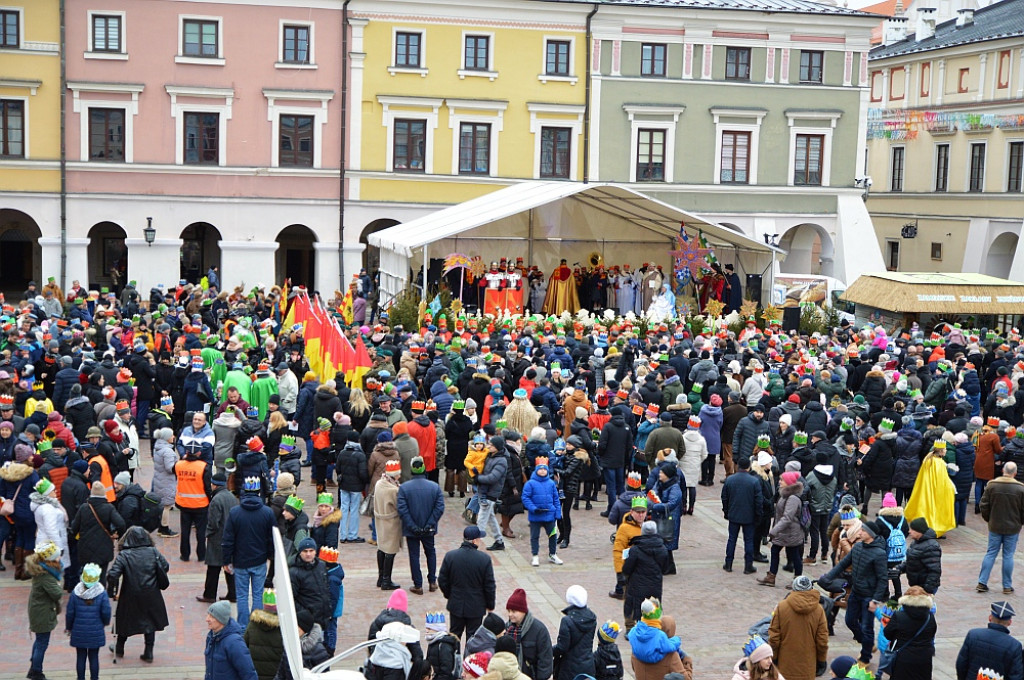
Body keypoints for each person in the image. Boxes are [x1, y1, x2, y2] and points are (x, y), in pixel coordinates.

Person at [820, 522, 889, 666]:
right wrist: (828, 577)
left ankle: (865, 657)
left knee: (866, 626)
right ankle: (867, 644)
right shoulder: (857, 547)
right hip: (856, 592)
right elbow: (843, 564)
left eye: (862, 531)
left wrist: (875, 600)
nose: (859, 533)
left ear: (870, 534)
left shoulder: (879, 554)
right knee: (850, 621)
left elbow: (883, 579)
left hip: (869, 596)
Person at [107, 526, 170, 662]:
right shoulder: (153, 551)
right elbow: (166, 566)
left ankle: (119, 647)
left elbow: (113, 574)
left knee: (124, 620)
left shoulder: (125, 554)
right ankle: (148, 652)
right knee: (150, 621)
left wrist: (111, 591)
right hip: (151, 592)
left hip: (130, 593)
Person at [222, 475, 275, 629]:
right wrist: (271, 556)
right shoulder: (267, 512)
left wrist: (226, 560)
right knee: (258, 594)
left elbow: (227, 540)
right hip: (259, 560)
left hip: (240, 561)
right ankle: (256, 625)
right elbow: (271, 538)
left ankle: (243, 627)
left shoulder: (235, 513)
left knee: (242, 595)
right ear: (259, 492)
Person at [438, 526, 496, 644]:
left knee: (454, 636)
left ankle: (452, 660)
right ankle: (469, 661)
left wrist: (450, 594)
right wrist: (490, 604)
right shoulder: (484, 559)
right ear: (474, 540)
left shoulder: (451, 556)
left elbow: (442, 580)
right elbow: (489, 585)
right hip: (476, 606)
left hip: (456, 604)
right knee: (473, 639)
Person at [397, 456, 445, 594]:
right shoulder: (434, 487)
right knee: (430, 553)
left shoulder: (404, 488)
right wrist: (429, 524)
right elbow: (439, 508)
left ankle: (418, 584)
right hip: (428, 529)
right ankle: (432, 581)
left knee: (414, 555)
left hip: (412, 529)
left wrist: (413, 526)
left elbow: (402, 510)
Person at [767, 575, 829, 680]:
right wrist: (821, 660)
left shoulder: (782, 607)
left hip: (785, 664)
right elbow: (822, 641)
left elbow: (774, 638)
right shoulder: (818, 610)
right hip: (808, 665)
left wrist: (774, 658)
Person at [976, 460, 1024, 594]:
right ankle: (1007, 586)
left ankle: (982, 582)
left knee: (991, 553)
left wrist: (989, 519)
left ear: (1003, 470)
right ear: (1015, 473)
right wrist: (1020, 522)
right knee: (1008, 555)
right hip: (1013, 526)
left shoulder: (992, 485)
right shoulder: (1020, 489)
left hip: (995, 524)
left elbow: (983, 504)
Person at [70, 481, 126, 584]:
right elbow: (121, 523)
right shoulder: (109, 508)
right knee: (101, 576)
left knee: (86, 575)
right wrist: (116, 534)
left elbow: (74, 528)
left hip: (85, 548)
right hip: (103, 548)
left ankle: (87, 596)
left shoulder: (84, 508)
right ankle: (100, 596)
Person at [66, 562, 112, 680]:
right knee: (94, 656)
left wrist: (69, 627)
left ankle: (80, 678)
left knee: (80, 657)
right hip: (95, 631)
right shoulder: (102, 593)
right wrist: (105, 622)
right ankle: (94, 678)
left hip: (78, 631)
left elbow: (70, 613)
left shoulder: (76, 593)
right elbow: (106, 612)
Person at [956, 601, 1023, 680]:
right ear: (1009, 622)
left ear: (990, 617)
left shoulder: (973, 635)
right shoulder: (1014, 645)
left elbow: (961, 664)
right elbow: (1015, 675)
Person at [759, 471, 805, 587]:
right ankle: (771, 576)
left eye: (782, 480)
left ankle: (798, 580)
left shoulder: (793, 498)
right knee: (775, 551)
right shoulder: (785, 495)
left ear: (788, 483)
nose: (779, 482)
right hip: (783, 532)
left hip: (791, 532)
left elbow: (787, 518)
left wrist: (774, 530)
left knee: (794, 555)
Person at [626, 598, 691, 680]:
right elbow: (686, 678)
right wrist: (687, 661)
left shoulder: (637, 647)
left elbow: (634, 668)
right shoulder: (671, 655)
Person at [880, 586, 936, 680]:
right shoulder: (930, 617)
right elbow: (932, 634)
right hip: (924, 658)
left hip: (903, 657)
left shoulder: (899, 616)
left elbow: (887, 633)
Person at [26, 541, 63, 680]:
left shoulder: (42, 570)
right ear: (50, 559)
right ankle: (36, 671)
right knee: (42, 642)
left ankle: (33, 663)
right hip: (42, 613)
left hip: (38, 610)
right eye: (57, 556)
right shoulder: (46, 575)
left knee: (39, 640)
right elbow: (57, 593)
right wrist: (58, 586)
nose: (60, 558)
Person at [622, 520, 669, 629]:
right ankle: (654, 629)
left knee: (638, 610)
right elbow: (666, 568)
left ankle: (638, 632)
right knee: (654, 608)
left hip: (638, 586)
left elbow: (627, 569)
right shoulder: (663, 548)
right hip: (655, 585)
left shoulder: (635, 549)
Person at [904, 440, 956, 537]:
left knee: (928, 509)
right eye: (945, 449)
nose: (946, 451)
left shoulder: (929, 460)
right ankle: (933, 529)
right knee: (934, 510)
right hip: (937, 491)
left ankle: (930, 529)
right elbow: (942, 480)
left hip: (927, 490)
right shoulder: (938, 463)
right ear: (940, 451)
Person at [199, 471, 237, 604]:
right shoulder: (232, 497)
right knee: (229, 567)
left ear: (214, 485)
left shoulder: (216, 500)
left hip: (217, 538)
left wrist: (207, 533)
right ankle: (233, 593)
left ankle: (209, 594)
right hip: (231, 537)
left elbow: (213, 522)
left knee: (213, 568)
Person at [721, 456, 764, 574]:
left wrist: (726, 511)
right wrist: (758, 515)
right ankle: (748, 566)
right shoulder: (754, 481)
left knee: (732, 539)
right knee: (749, 541)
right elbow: (758, 501)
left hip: (734, 514)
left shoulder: (730, 480)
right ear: (749, 467)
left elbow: (724, 497)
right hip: (749, 516)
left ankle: (728, 563)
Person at [520, 455, 563, 567]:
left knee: (552, 535)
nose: (543, 471)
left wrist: (558, 512)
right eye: (540, 469)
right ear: (536, 470)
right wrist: (533, 508)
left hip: (550, 515)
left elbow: (556, 499)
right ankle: (535, 556)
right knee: (535, 536)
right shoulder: (530, 484)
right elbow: (525, 498)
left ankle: (552, 554)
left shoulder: (551, 483)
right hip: (536, 516)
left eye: (545, 469)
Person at [175, 444, 213, 562]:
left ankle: (185, 555)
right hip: (200, 504)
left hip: (184, 503)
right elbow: (207, 487)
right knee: (201, 532)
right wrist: (210, 499)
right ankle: (201, 555)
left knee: (185, 530)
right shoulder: (204, 467)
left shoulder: (179, 465)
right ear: (199, 453)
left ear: (186, 452)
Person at [504, 588, 553, 680]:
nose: (510, 614)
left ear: (523, 611)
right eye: (509, 611)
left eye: (514, 611)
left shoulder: (539, 630)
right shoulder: (508, 628)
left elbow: (545, 660)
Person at [204, 600, 259, 680]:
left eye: (212, 616)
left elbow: (248, 673)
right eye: (208, 615)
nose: (207, 619)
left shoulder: (234, 643)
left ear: (221, 619)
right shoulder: (211, 636)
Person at [552, 585, 596, 680]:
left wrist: (548, 651)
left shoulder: (567, 621)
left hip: (569, 668)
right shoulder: (592, 618)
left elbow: (562, 647)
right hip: (587, 666)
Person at [475, 435, 509, 551]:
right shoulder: (490, 456)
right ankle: (499, 541)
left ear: (498, 447)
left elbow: (492, 478)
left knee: (482, 519)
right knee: (490, 518)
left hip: (491, 493)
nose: (488, 446)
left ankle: (474, 544)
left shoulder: (501, 461)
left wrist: (478, 478)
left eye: (491, 445)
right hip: (485, 491)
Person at [374, 459, 403, 590]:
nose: (400, 476)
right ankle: (386, 580)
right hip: (391, 521)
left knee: (381, 547)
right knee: (390, 550)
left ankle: (381, 578)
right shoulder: (393, 490)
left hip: (380, 519)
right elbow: (399, 506)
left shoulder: (379, 483)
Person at [243, 590, 285, 680]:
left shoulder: (253, 624)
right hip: (277, 675)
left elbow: (243, 647)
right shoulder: (283, 627)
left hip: (256, 674)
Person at [151, 427, 180, 537]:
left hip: (159, 479)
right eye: (172, 435)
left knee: (163, 505)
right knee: (166, 506)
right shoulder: (167, 451)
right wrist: (180, 465)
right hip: (167, 482)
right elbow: (170, 467)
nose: (173, 437)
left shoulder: (158, 447)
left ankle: (161, 527)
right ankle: (164, 528)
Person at [904, 517, 942, 595]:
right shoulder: (916, 542)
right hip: (917, 586)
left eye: (912, 529)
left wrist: (927, 590)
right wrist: (899, 569)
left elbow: (934, 571)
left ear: (919, 531)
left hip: (924, 588)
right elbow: (912, 560)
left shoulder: (931, 547)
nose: (909, 531)